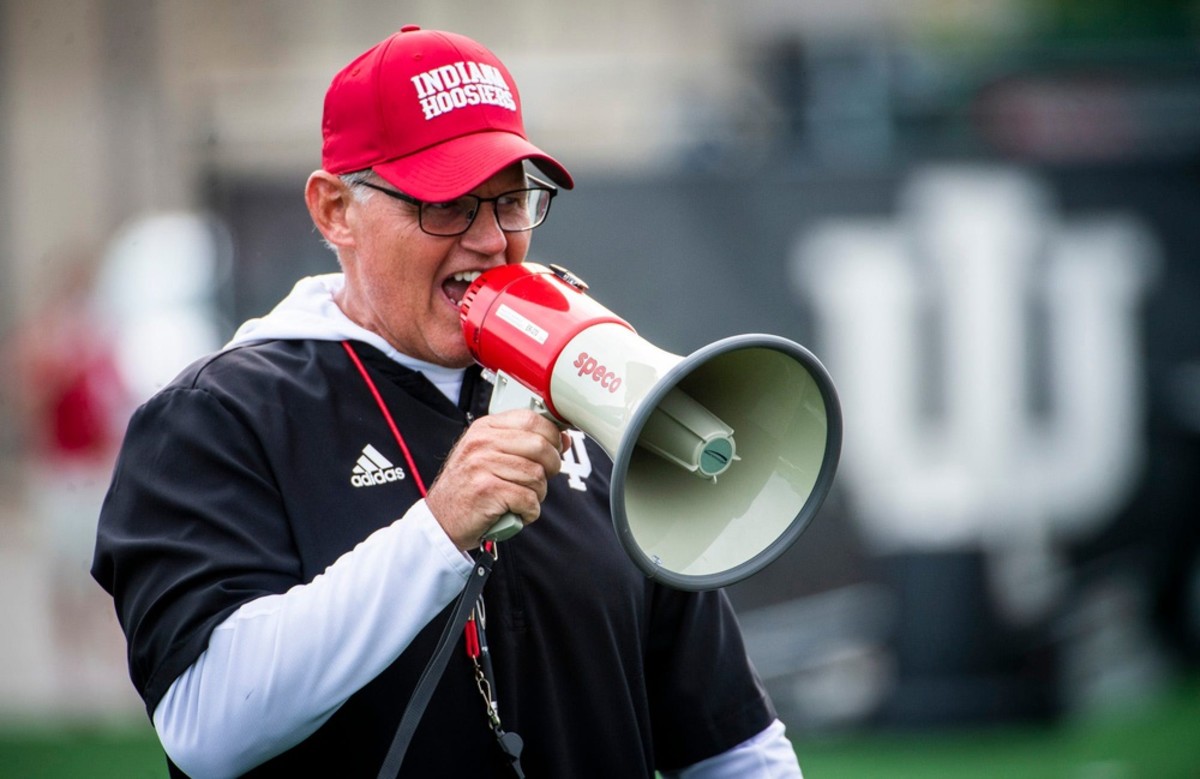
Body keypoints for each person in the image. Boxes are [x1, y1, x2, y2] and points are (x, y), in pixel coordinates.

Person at [92, 25, 802, 778]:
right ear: (335, 210)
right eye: (450, 205)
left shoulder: (587, 392)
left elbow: (734, 745)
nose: (492, 240)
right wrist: (438, 530)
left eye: (513, 202)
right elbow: (206, 729)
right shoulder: (220, 414)